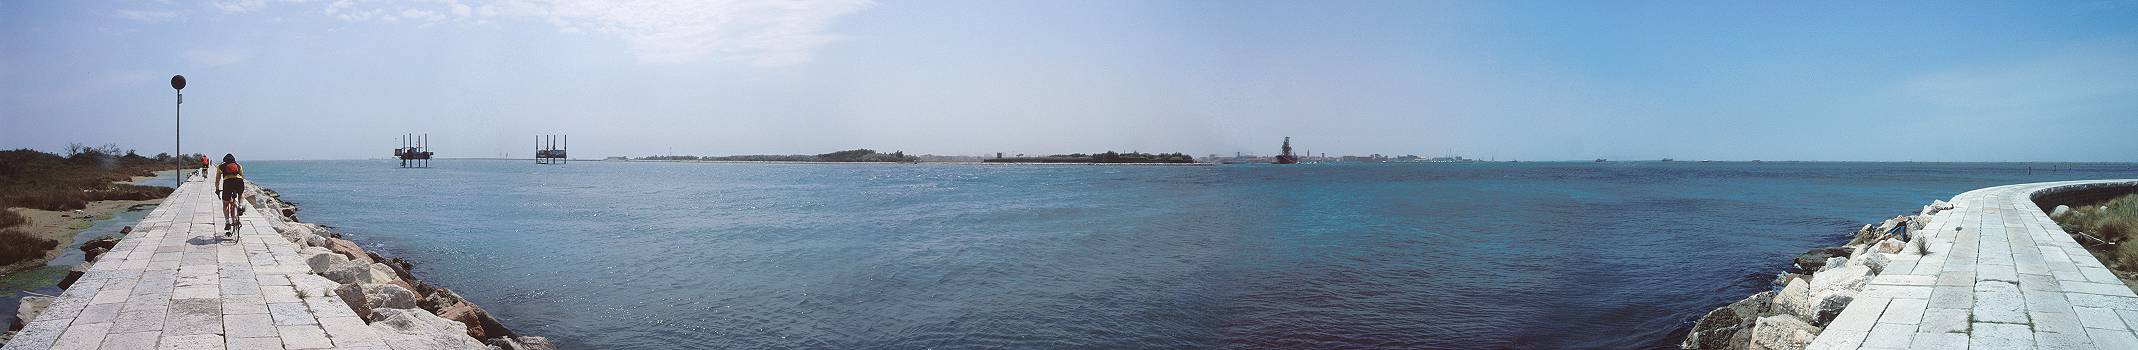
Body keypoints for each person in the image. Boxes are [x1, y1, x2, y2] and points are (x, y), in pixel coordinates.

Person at [214, 154, 245, 232]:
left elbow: (217, 180)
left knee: (225, 204)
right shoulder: (239, 165)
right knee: (241, 193)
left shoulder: (221, 166)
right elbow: (242, 176)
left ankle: (227, 222)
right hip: (239, 181)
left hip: (228, 183)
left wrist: (217, 189)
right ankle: (240, 206)